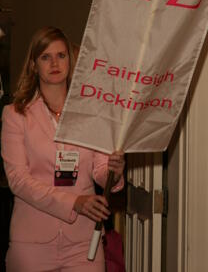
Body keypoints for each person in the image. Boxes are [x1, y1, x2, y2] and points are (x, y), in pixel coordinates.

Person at [1, 26, 125, 272]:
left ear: (71, 60)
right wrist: (74, 202)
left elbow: (101, 170)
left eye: (61, 55)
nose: (54, 63)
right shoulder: (16, 114)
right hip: (32, 244)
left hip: (83, 244)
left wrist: (115, 171)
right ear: (34, 65)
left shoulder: (92, 113)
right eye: (46, 57)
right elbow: (18, 180)